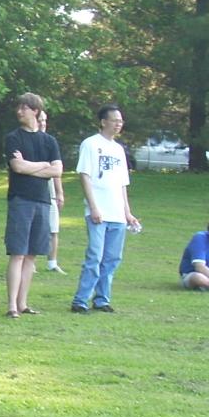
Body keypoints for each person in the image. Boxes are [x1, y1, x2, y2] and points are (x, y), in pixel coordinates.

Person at [70, 103, 140, 314]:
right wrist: (93, 207)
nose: (118, 124)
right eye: (114, 120)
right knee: (95, 256)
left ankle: (102, 299)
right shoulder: (91, 144)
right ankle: (81, 299)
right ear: (103, 122)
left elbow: (122, 184)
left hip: (117, 213)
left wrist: (127, 212)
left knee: (112, 258)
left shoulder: (118, 150)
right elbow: (85, 176)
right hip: (99, 211)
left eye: (121, 121)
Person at [3, 92, 61, 319]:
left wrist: (31, 166)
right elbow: (17, 167)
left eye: (24, 108)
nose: (19, 111)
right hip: (20, 200)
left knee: (31, 255)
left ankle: (23, 303)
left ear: (35, 111)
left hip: (42, 202)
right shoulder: (13, 138)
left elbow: (57, 170)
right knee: (18, 253)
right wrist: (43, 165)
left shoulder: (49, 141)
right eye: (18, 107)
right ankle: (11, 305)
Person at [38, 108, 67, 274]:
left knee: (53, 229)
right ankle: (30, 263)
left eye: (45, 120)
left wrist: (59, 193)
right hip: (33, 191)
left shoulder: (50, 142)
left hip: (50, 192)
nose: (43, 123)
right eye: (40, 120)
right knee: (34, 229)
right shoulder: (27, 141)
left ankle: (52, 263)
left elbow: (56, 171)